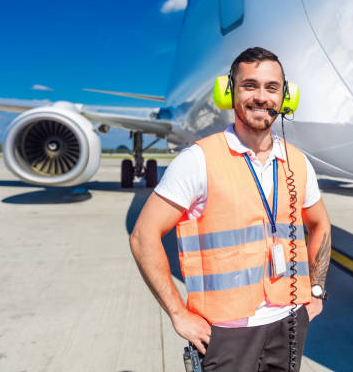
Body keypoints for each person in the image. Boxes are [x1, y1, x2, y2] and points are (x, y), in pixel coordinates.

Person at [130, 47, 332, 371]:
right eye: (249, 85)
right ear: (229, 92)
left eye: (271, 87)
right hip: (226, 334)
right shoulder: (198, 160)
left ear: (286, 96)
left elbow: (321, 224)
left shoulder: (298, 162)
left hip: (290, 323)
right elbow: (143, 236)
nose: (261, 97)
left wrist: (317, 289)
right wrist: (178, 313)